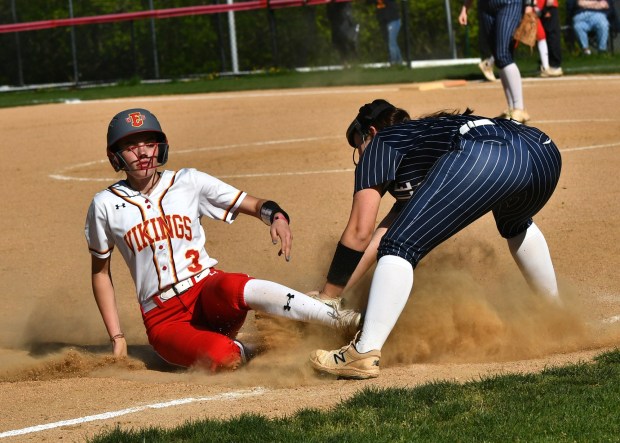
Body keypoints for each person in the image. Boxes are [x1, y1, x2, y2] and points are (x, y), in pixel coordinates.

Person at [85, 108, 360, 372]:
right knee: (225, 358)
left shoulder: (187, 182)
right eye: (131, 145)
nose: (143, 152)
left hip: (208, 293)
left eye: (149, 142)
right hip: (164, 319)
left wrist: (277, 216)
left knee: (232, 284)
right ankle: (262, 348)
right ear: (115, 156)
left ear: (161, 146)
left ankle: (341, 320)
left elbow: (253, 204)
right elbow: (101, 273)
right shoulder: (105, 205)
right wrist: (118, 338)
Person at [309, 99, 562, 379]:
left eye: (358, 145)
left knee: (400, 247)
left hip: (489, 154)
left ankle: (363, 352)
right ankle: (555, 317)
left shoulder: (383, 143)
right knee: (513, 222)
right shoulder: (425, 149)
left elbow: (360, 231)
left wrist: (323, 299)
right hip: (542, 152)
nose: (360, 154)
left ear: (370, 132)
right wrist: (332, 295)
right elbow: (378, 239)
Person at [459, 0, 534, 123]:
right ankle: (512, 109)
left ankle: (519, 109)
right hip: (486, 7)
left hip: (509, 4)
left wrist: (529, 5)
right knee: (499, 57)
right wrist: (465, 7)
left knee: (502, 55)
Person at [326, 0, 360, 65]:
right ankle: (345, 61)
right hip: (334, 14)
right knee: (338, 40)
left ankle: (353, 58)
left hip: (343, 15)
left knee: (345, 37)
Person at [536, 0, 564, 76]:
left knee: (550, 34)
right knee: (545, 35)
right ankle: (547, 65)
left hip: (545, 4)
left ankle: (553, 65)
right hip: (538, 5)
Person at [375, 0, 403, 65]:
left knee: (391, 42)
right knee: (392, 42)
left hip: (393, 20)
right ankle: (399, 61)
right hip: (385, 22)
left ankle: (394, 62)